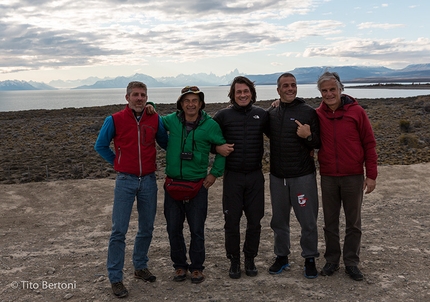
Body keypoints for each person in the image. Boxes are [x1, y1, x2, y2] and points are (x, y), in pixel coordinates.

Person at [94, 81, 168, 298]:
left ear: (147, 98)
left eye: (143, 95)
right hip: (125, 181)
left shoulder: (154, 118)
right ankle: (116, 278)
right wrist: (118, 162)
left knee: (147, 228)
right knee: (119, 231)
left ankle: (140, 267)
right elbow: (100, 145)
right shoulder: (114, 120)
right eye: (135, 94)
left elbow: (165, 143)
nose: (139, 98)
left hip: (148, 181)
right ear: (127, 97)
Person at [316, 71, 377, 281]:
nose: (329, 93)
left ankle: (351, 262)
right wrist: (278, 103)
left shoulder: (357, 112)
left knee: (353, 222)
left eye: (332, 89)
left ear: (341, 89)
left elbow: (369, 143)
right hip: (328, 176)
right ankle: (332, 260)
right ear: (320, 92)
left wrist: (371, 175)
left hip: (353, 176)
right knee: (330, 222)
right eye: (324, 90)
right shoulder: (317, 114)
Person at [161, 86, 226, 284]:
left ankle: (197, 268)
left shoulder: (211, 125)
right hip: (172, 185)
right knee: (173, 228)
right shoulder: (170, 120)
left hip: (197, 187)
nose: (191, 104)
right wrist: (150, 105)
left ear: (201, 103)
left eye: (194, 100)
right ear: (181, 104)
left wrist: (214, 174)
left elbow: (223, 149)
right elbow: (152, 119)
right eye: (186, 100)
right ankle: (180, 266)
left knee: (197, 229)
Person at [213, 76, 269, 279]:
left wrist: (279, 104)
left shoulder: (262, 114)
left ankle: (250, 258)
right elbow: (206, 137)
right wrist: (217, 147)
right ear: (233, 94)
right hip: (233, 177)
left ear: (252, 93)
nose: (243, 95)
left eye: (246, 91)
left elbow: (280, 131)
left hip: (255, 176)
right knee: (232, 221)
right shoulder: (222, 115)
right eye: (239, 92)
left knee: (255, 221)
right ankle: (234, 260)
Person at [267, 72, 321, 279]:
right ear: (278, 90)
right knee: (279, 220)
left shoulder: (308, 112)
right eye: (285, 86)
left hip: (302, 177)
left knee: (308, 220)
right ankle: (282, 256)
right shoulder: (271, 113)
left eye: (293, 85)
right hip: (278, 177)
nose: (290, 88)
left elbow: (318, 143)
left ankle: (309, 258)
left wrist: (308, 137)